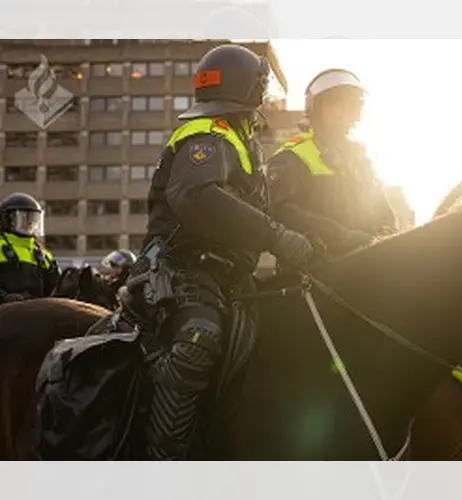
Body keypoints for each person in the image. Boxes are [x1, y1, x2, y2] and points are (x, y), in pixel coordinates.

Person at [127, 44, 315, 460]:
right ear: (251, 89)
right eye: (262, 88)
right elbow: (196, 196)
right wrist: (277, 236)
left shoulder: (242, 140)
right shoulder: (207, 136)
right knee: (200, 338)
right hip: (180, 270)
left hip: (227, 276)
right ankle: (164, 458)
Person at [266, 68, 398, 260]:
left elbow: (382, 208)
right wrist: (343, 236)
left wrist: (390, 235)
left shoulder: (361, 158)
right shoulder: (291, 156)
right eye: (335, 103)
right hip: (312, 269)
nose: (342, 112)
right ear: (315, 108)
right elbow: (281, 212)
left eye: (350, 105)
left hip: (366, 263)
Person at [0, 192, 60, 303]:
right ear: (6, 220)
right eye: (23, 218)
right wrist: (5, 297)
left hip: (37, 315)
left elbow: (56, 291)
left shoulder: (45, 255)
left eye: (33, 218)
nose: (29, 222)